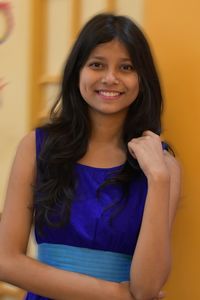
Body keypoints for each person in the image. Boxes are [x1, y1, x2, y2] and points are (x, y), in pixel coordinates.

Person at [0, 13, 181, 300]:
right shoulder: (36, 147)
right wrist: (113, 294)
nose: (111, 78)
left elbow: (146, 289)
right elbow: (5, 261)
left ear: (142, 78)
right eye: (97, 64)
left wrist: (159, 179)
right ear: (77, 73)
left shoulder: (161, 166)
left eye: (126, 67)